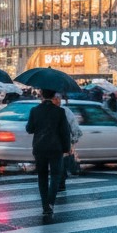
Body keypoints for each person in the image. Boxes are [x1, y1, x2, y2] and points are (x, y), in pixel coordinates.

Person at [26, 88, 71, 219]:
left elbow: (29, 129)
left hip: (39, 148)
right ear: (53, 96)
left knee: (42, 177)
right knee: (56, 176)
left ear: (41, 95)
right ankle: (50, 203)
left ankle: (45, 205)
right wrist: (66, 148)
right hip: (56, 148)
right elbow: (65, 132)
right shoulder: (60, 111)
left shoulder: (35, 110)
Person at [53, 92, 82, 193]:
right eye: (56, 98)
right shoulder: (64, 111)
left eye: (59, 98)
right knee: (60, 164)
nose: (58, 100)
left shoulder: (65, 111)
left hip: (61, 142)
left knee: (60, 164)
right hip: (59, 142)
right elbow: (75, 128)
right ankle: (59, 183)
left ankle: (60, 183)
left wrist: (73, 141)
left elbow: (74, 127)